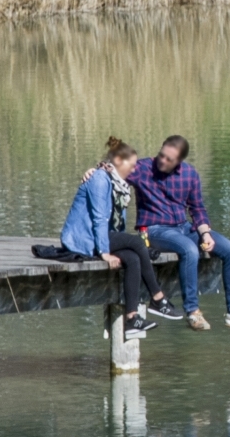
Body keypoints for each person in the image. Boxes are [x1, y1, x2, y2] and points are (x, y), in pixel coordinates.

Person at [129, 135, 230, 331]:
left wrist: (205, 233)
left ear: (180, 161)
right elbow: (115, 169)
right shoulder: (143, 168)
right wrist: (96, 170)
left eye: (169, 159)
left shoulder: (190, 174)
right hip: (154, 230)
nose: (162, 161)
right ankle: (193, 312)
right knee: (190, 250)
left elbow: (197, 208)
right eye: (161, 155)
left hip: (184, 227)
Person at [59, 137, 179, 336]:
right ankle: (158, 299)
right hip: (84, 239)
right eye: (131, 166)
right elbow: (98, 218)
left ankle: (132, 319)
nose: (134, 170)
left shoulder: (116, 183)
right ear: (119, 162)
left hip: (102, 236)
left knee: (132, 258)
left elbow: (114, 224)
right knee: (136, 242)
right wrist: (104, 252)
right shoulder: (99, 179)